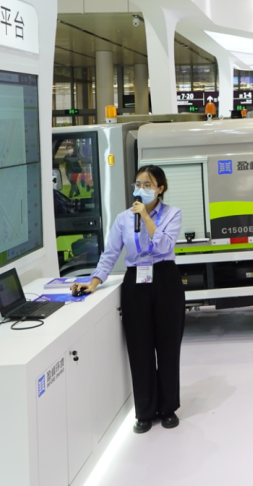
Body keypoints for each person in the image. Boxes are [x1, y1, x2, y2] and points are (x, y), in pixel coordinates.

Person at [74, 165, 184, 434]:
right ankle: (144, 411)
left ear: (161, 188)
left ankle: (168, 408)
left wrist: (146, 216)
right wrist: (94, 281)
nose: (141, 189)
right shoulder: (123, 219)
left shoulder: (172, 214)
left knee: (168, 347)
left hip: (165, 279)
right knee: (139, 348)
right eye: (138, 184)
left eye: (148, 185)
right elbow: (111, 252)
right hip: (136, 281)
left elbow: (164, 246)